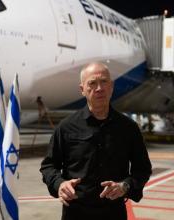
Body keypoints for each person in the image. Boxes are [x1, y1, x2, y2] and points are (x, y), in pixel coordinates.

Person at [40, 62, 152, 220]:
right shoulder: (66, 127)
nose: (99, 88)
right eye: (92, 83)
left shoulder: (129, 128)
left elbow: (143, 169)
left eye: (104, 81)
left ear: (112, 86)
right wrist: (59, 184)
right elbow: (49, 166)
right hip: (76, 213)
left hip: (114, 213)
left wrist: (124, 186)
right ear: (82, 90)